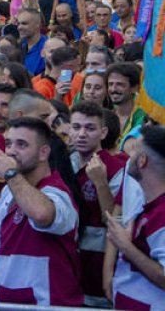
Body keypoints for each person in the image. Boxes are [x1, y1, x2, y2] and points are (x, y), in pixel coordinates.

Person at [0, 116, 82, 305]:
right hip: (4, 301)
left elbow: (42, 214)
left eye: (22, 145)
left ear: (43, 152)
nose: (12, 151)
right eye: (8, 144)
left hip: (47, 303)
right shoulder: (8, 190)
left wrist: (11, 174)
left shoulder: (57, 191)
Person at [68, 100, 134, 304]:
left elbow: (112, 220)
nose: (81, 134)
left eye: (90, 128)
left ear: (103, 133)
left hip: (101, 259)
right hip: (70, 258)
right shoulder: (64, 162)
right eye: (76, 127)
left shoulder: (116, 168)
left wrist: (100, 183)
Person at [107, 125, 165, 307]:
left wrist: (125, 246)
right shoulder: (149, 207)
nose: (127, 157)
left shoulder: (162, 214)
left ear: (142, 161)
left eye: (133, 152)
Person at [108, 62, 147, 149]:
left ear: (134, 88)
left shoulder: (145, 118)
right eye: (110, 84)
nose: (113, 89)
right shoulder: (105, 116)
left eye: (120, 84)